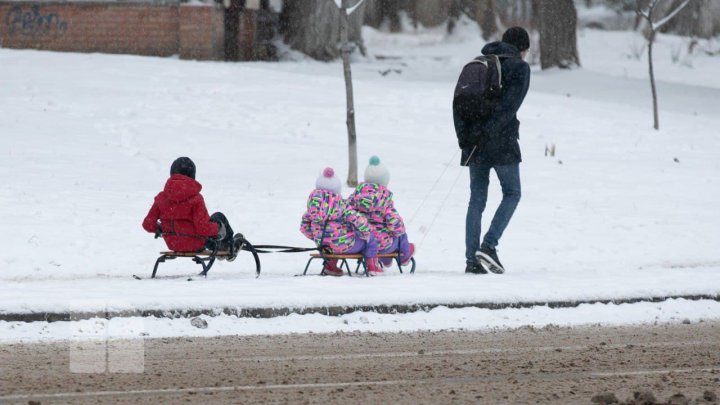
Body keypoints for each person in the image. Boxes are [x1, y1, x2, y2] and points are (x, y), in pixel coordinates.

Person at [456, 26, 531, 274]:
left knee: (476, 199)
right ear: (522, 48)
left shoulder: (481, 63)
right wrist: (490, 132)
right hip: (501, 143)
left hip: (474, 142)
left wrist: (468, 139)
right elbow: (509, 108)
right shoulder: (519, 68)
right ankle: (489, 245)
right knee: (512, 192)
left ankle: (471, 260)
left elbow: (461, 103)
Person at [142, 157, 243, 261]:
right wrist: (218, 228)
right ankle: (230, 249)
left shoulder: (161, 198)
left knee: (202, 230)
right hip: (195, 243)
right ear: (192, 175)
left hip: (173, 244)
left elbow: (147, 224)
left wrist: (162, 228)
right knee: (218, 217)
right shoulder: (195, 198)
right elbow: (203, 228)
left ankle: (221, 246)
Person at [300, 167, 381, 276]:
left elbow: (304, 227)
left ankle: (330, 266)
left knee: (333, 242)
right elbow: (358, 221)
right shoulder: (342, 206)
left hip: (324, 247)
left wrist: (316, 238)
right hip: (344, 245)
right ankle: (372, 266)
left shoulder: (312, 209)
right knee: (370, 239)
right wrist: (366, 232)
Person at [348, 156, 414, 271]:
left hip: (362, 242)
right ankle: (404, 256)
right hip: (384, 244)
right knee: (401, 234)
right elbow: (395, 224)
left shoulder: (355, 197)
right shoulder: (384, 199)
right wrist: (400, 230)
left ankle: (386, 259)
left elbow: (347, 213)